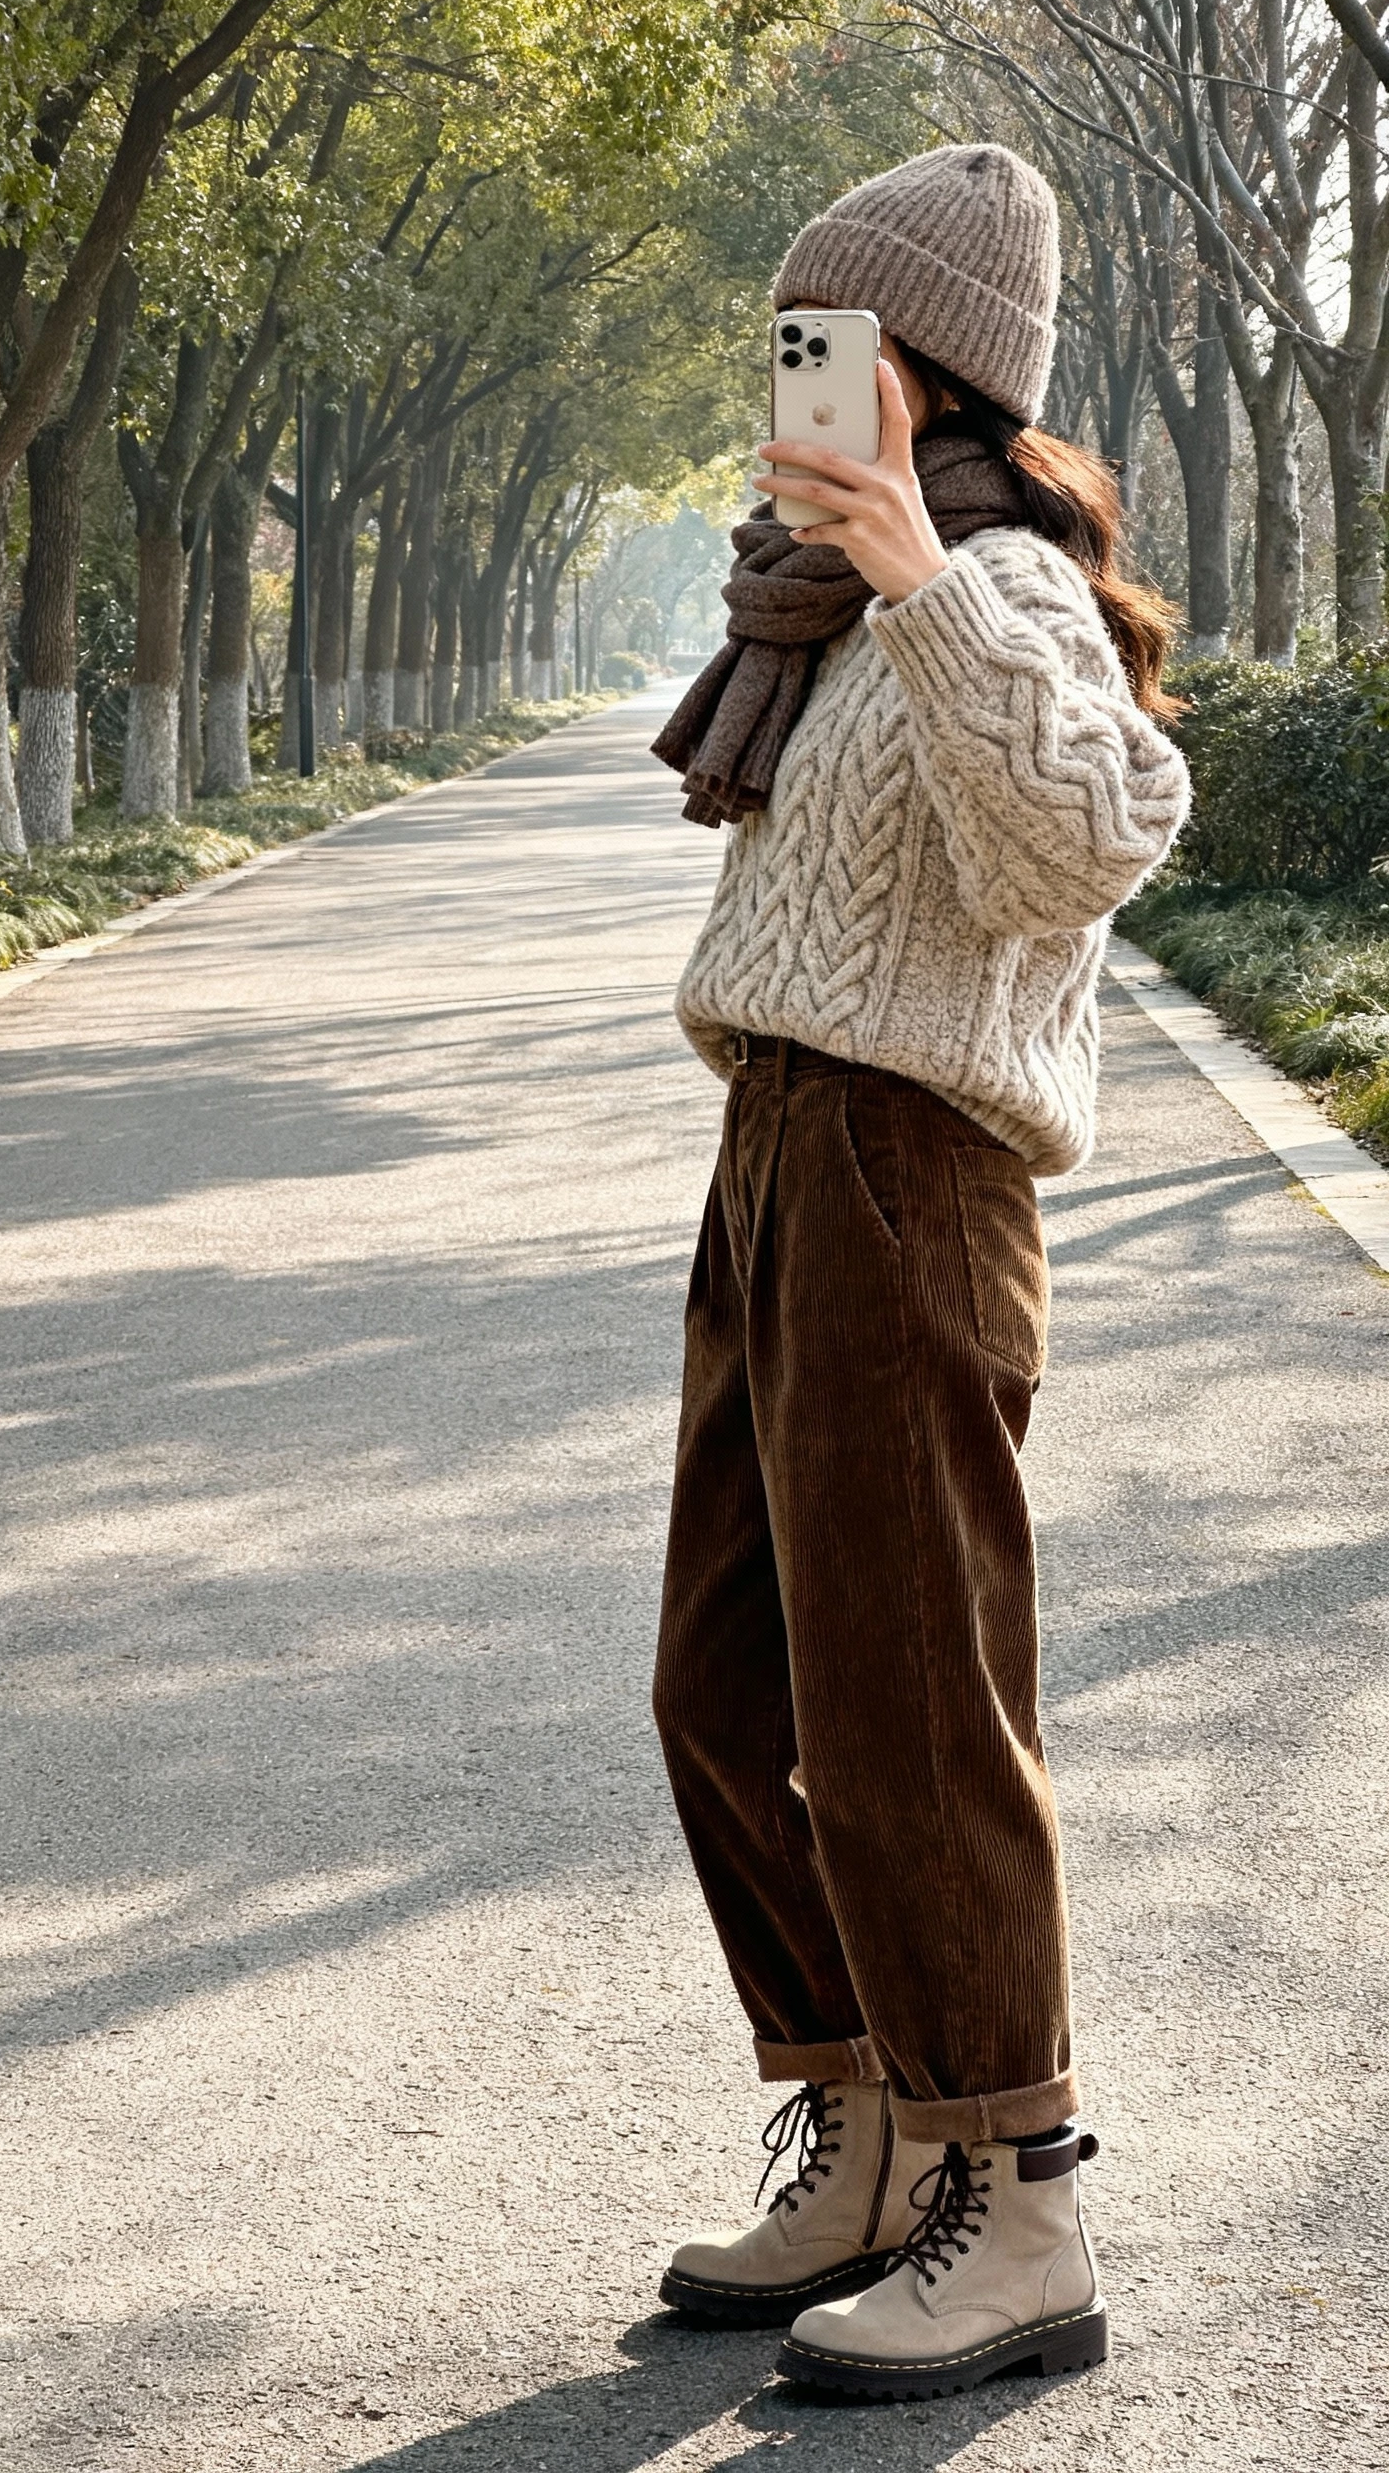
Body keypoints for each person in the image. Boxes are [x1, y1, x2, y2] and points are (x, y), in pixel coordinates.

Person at [648, 144, 1190, 2400]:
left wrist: (918, 579)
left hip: (911, 1159)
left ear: (929, 362)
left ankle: (1023, 2195)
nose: (800, 379)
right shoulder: (829, 596)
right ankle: (874, 2129)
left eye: (834, 337)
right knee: (724, 1687)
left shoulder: (1000, 581)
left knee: (910, 1705)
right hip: (777, 1136)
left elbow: (1094, 839)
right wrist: (847, 579)